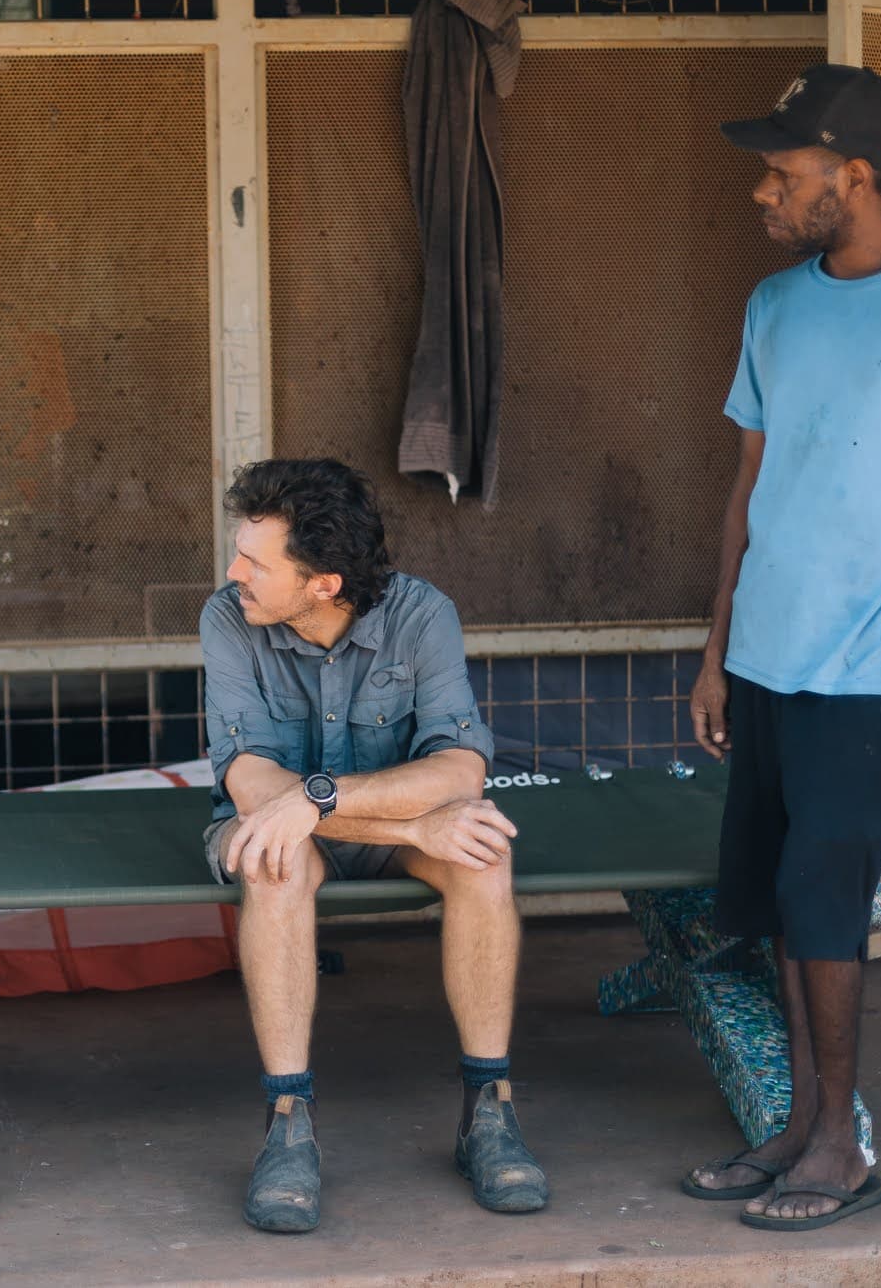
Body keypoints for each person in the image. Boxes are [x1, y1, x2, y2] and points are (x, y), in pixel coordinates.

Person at [681, 65, 881, 1230]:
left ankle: (842, 1147)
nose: (762, 193)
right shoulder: (773, 305)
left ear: (850, 176)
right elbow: (746, 487)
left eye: (782, 171)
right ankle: (805, 1126)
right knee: (766, 897)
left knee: (826, 898)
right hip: (764, 651)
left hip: (873, 664)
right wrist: (714, 648)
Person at [199, 457, 545, 1234]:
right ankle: (288, 1122)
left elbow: (460, 766)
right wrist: (416, 825)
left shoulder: (424, 615)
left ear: (323, 582)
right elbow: (254, 786)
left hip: (365, 822)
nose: (234, 571)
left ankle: (490, 1110)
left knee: (483, 855)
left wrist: (326, 798)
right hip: (286, 828)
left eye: (255, 560)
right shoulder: (227, 617)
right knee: (276, 859)